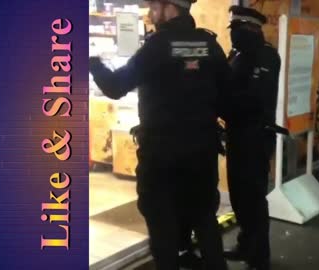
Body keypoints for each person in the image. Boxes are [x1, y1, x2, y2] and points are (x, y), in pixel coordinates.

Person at [89, 0, 230, 269]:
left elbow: (116, 86)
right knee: (204, 220)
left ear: (170, 8)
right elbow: (227, 99)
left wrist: (94, 63)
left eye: (155, 7)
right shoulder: (209, 44)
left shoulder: (157, 46)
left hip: (161, 156)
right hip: (202, 152)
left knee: (162, 225)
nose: (151, 13)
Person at [223, 6, 281, 270]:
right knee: (238, 196)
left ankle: (259, 258)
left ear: (254, 29)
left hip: (256, 136)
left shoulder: (266, 56)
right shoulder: (236, 55)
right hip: (236, 135)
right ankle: (246, 245)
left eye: (239, 30)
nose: (235, 35)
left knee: (254, 199)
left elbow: (254, 99)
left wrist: (220, 104)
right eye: (233, 30)